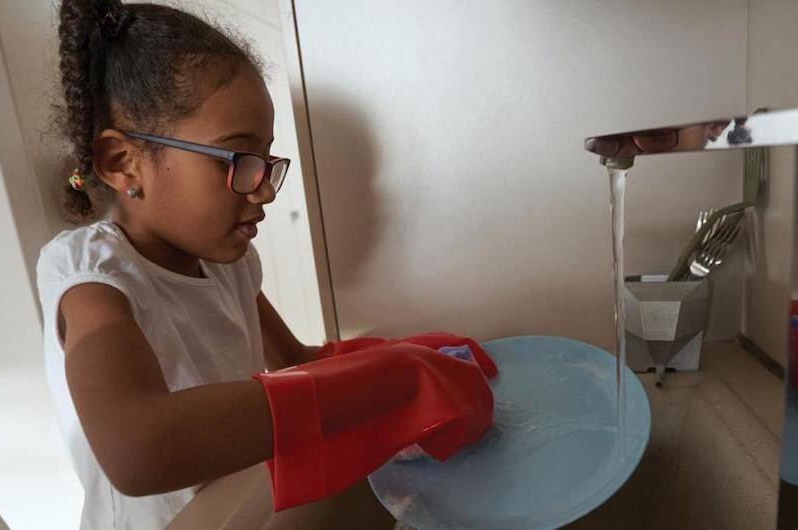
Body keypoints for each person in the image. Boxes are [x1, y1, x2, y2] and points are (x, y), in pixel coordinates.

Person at [36, 2, 494, 528]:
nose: (264, 190)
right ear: (123, 163)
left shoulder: (226, 262)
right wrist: (389, 382)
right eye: (236, 160)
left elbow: (295, 361)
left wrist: (408, 354)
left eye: (267, 162)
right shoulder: (91, 276)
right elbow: (136, 448)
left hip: (244, 504)